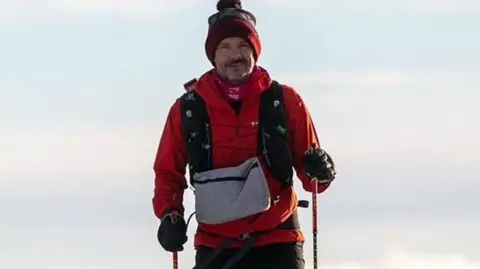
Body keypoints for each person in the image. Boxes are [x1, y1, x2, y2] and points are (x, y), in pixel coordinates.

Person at [152, 0, 337, 268]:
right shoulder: (188, 108)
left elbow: (313, 179)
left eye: (242, 46)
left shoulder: (284, 100)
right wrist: (170, 215)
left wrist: (321, 168)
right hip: (215, 243)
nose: (234, 55)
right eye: (224, 47)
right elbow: (168, 171)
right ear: (213, 56)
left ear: (255, 51)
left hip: (278, 239)